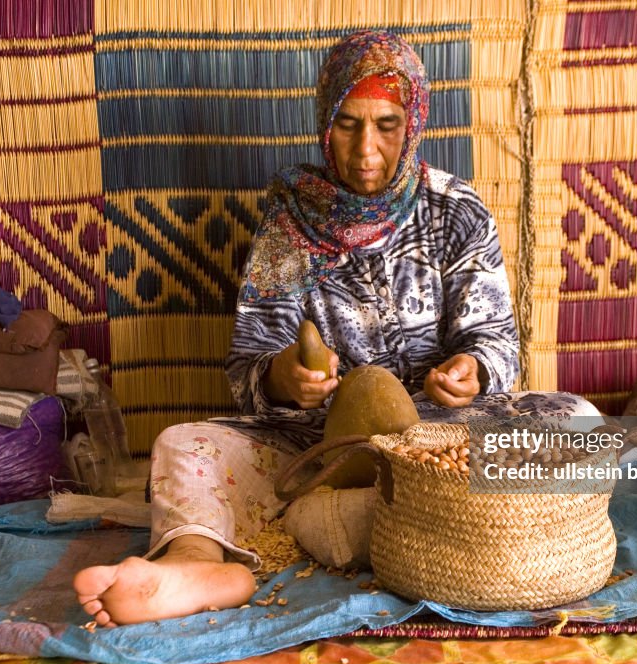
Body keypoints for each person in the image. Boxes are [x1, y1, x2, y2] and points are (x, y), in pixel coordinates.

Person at [73, 30, 598, 627]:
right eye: (348, 124)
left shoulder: (456, 209)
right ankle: (193, 564)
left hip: (440, 443)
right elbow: (248, 367)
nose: (366, 149)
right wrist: (283, 379)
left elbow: (497, 343)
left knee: (578, 420)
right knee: (183, 444)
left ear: (415, 121)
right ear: (325, 123)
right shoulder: (291, 220)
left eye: (386, 124)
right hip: (317, 446)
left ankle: (348, 523)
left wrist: (472, 370)